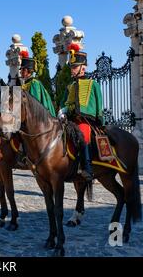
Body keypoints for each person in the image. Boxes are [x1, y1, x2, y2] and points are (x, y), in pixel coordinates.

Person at [59, 44, 104, 182]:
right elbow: (64, 103)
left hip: (86, 121)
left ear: (83, 68)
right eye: (71, 67)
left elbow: (99, 103)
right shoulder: (70, 86)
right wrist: (62, 111)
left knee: (83, 135)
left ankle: (87, 168)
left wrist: (99, 120)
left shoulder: (92, 84)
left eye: (74, 67)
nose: (72, 70)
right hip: (71, 120)